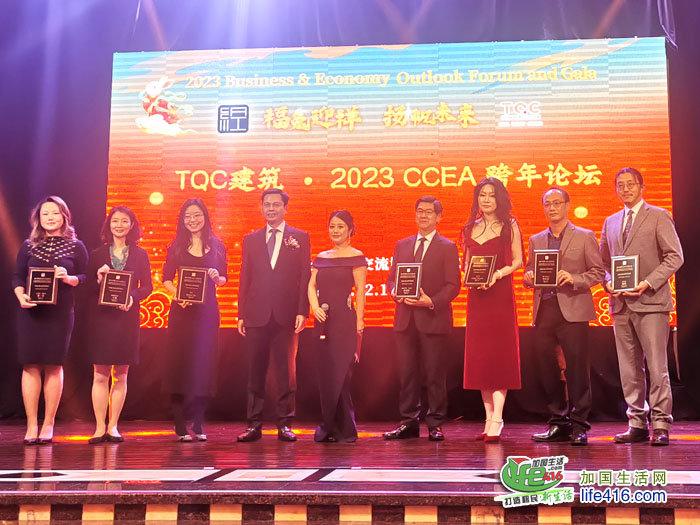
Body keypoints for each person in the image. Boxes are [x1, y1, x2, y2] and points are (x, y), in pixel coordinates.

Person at [600, 167, 683, 446]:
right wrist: (608, 282)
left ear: (642, 187)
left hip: (652, 302)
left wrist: (648, 282)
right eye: (620, 185)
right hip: (620, 304)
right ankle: (636, 423)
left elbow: (675, 257)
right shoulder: (610, 222)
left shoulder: (659, 216)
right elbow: (603, 263)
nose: (625, 189)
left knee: (657, 367)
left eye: (631, 184)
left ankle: (660, 423)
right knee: (629, 370)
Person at [524, 187, 604, 446]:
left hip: (574, 309)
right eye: (548, 204)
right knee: (547, 369)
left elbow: (598, 272)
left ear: (568, 205)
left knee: (577, 369)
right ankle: (558, 422)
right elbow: (530, 271)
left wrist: (574, 278)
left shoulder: (585, 236)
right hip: (544, 310)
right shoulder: (536, 240)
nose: (552, 208)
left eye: (557, 203)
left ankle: (579, 425)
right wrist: (528, 278)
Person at [12, 196, 88, 444]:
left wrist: (70, 278)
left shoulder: (76, 246)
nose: (50, 218)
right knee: (30, 365)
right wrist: (21, 295)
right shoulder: (28, 246)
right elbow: (17, 277)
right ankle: (31, 424)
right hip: (31, 313)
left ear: (64, 216)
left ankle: (48, 423)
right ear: (38, 218)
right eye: (45, 214)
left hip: (60, 314)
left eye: (55, 213)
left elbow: (86, 276)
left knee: (54, 366)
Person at [384, 196, 460, 441]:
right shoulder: (402, 245)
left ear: (439, 217)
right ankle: (408, 422)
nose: (423, 215)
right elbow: (392, 279)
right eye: (420, 211)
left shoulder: (447, 246)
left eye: (429, 212)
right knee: (407, 374)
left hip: (433, 318)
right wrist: (394, 292)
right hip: (405, 319)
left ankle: (435, 423)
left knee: (434, 375)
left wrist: (431, 301)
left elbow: (453, 285)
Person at [237, 189, 311, 442]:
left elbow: (304, 276)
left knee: (286, 373)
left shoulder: (299, 237)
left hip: (286, 314)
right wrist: (241, 313)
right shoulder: (251, 240)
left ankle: (284, 423)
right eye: (267, 204)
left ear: (285, 208)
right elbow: (245, 277)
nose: (271, 209)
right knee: (254, 372)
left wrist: (302, 310)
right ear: (261, 208)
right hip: (256, 314)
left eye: (276, 205)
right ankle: (253, 424)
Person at [461, 177, 523, 443]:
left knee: (499, 356)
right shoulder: (470, 228)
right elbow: (466, 264)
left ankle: (498, 417)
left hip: (500, 297)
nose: (486, 200)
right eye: (482, 195)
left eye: (491, 195)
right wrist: (470, 278)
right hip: (477, 299)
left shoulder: (510, 225)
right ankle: (488, 419)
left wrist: (497, 275)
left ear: (500, 199)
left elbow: (518, 261)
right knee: (481, 359)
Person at [86, 207, 153, 444]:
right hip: (102, 319)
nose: (119, 225)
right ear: (109, 224)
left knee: (121, 374)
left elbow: (148, 287)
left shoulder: (141, 254)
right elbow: (87, 288)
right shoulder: (96, 255)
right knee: (100, 374)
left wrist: (132, 296)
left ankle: (113, 426)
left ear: (132, 225)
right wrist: (98, 278)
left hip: (127, 319)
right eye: (115, 221)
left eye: (125, 221)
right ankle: (99, 427)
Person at [162, 199, 227, 442]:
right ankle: (179, 423)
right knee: (178, 364)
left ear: (205, 217)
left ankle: (199, 423)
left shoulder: (217, 245)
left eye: (197, 215)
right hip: (182, 312)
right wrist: (177, 294)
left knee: (204, 365)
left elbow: (224, 278)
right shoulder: (176, 246)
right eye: (188, 216)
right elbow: (167, 279)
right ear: (182, 220)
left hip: (207, 312)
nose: (192, 220)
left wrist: (217, 277)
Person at [308, 211, 367, 443]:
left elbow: (360, 290)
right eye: (332, 226)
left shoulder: (356, 256)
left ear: (350, 229)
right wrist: (314, 307)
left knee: (341, 376)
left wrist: (360, 321)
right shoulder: (322, 257)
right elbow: (311, 286)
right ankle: (329, 427)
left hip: (345, 321)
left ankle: (345, 429)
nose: (335, 230)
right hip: (323, 321)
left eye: (340, 226)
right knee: (327, 376)